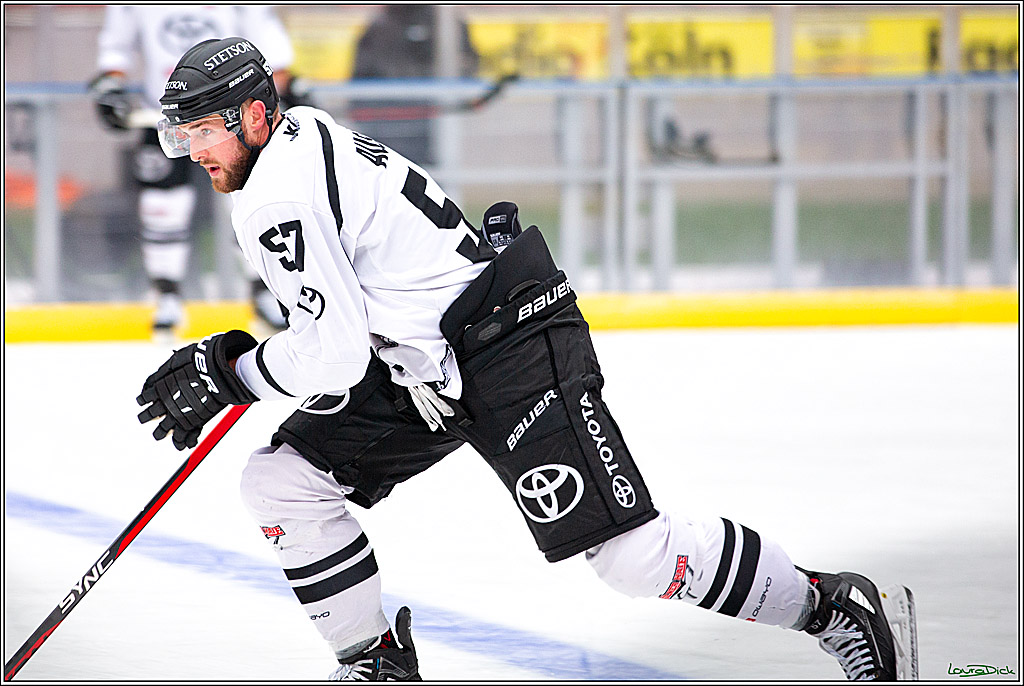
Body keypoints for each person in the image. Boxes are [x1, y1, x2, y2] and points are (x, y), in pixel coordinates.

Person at [135, 37, 918, 681]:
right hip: (427, 362)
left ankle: (832, 605)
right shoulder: (298, 134)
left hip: (507, 349)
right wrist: (245, 363)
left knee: (631, 558)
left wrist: (234, 375)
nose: (193, 150)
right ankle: (374, 660)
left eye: (203, 129)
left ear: (254, 115)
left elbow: (333, 357)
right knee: (284, 482)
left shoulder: (273, 195)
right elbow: (346, 319)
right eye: (182, 135)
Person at [90, 6, 301, 336]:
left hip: (229, 119)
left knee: (247, 201)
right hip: (163, 116)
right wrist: (111, 82)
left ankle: (265, 291)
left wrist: (285, 82)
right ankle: (166, 295)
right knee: (163, 207)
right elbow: (116, 46)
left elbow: (267, 38)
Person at [349, 5, 479, 165]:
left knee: (429, 173)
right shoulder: (381, 26)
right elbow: (363, 76)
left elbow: (468, 65)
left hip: (429, 124)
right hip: (393, 123)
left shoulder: (448, 24)